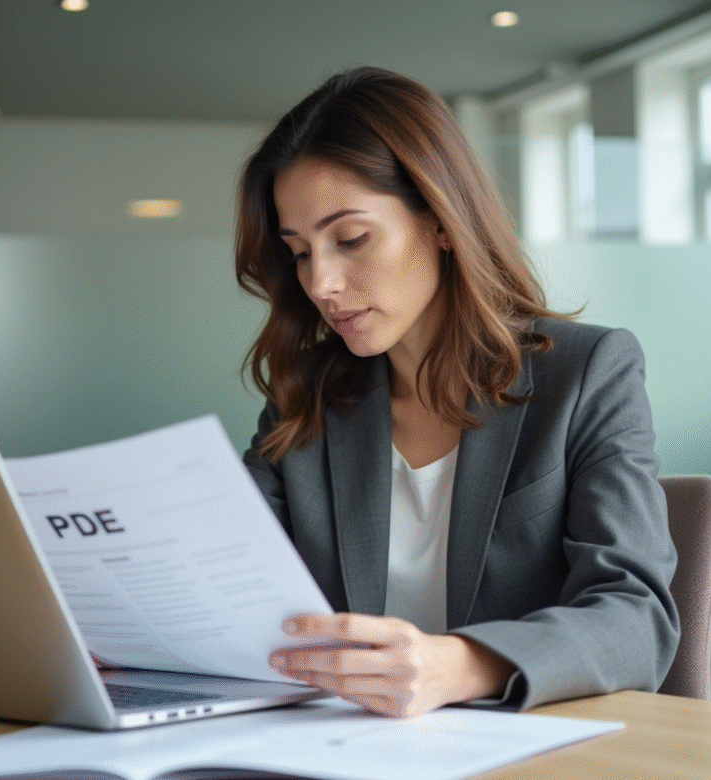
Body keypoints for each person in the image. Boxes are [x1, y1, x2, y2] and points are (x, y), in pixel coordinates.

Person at [235, 66, 679, 718]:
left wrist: (461, 665)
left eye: (350, 238)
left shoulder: (587, 374)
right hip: (344, 751)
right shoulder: (308, 398)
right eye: (300, 251)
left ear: (440, 221)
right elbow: (230, 583)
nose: (321, 282)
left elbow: (637, 618)